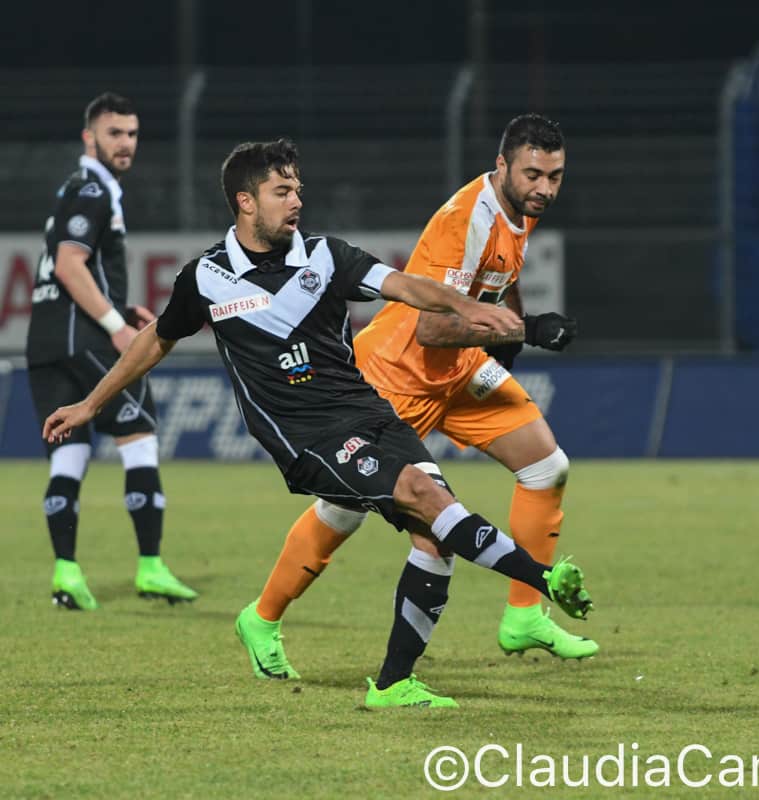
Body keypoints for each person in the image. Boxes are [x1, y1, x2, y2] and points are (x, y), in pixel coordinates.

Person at [42, 138, 593, 708]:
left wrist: (467, 307)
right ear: (246, 202)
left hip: (371, 413)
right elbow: (155, 340)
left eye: (298, 189)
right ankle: (542, 580)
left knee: (434, 536)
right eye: (282, 191)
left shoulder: (326, 256)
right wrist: (90, 405)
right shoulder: (205, 278)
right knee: (425, 498)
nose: (296, 201)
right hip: (307, 439)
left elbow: (405, 284)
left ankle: (394, 683)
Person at [252, 113, 595, 662]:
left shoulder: (521, 209)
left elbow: (501, 280)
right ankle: (262, 618)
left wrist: (508, 337)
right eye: (533, 175)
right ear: (502, 165)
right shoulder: (466, 220)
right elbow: (432, 328)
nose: (544, 188)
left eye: (554, 177)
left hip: (459, 369)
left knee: (546, 467)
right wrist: (526, 330)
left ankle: (525, 616)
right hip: (395, 377)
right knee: (343, 512)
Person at [26, 92, 197, 610]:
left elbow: (68, 269)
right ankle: (151, 567)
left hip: (46, 342)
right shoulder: (92, 189)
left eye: (132, 134)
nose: (125, 143)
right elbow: (69, 265)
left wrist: (120, 309)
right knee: (139, 434)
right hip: (85, 341)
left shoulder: (74, 189)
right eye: (114, 133)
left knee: (69, 453)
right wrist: (115, 327)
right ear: (90, 138)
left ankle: (67, 575)